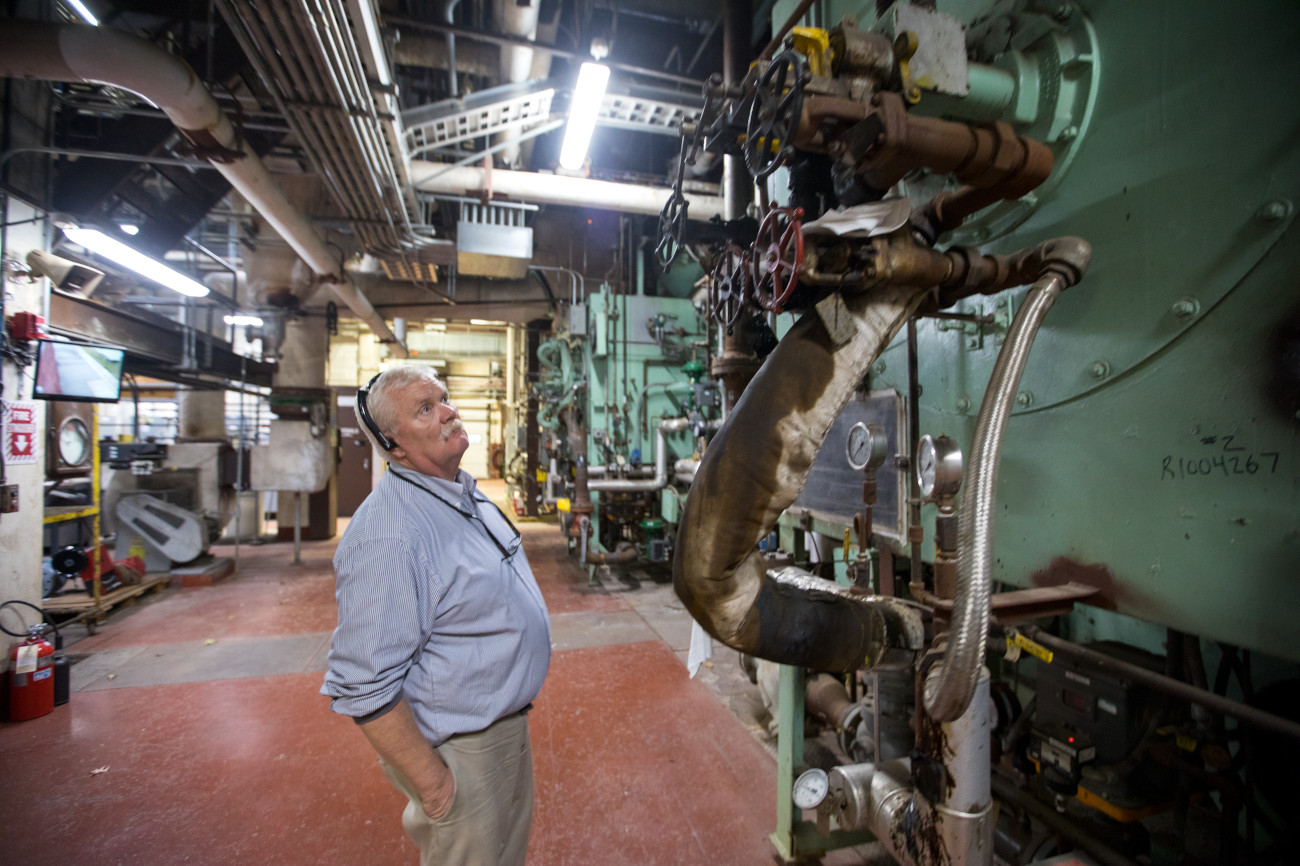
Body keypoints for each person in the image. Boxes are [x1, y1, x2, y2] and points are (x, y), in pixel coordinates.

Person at [322, 365, 551, 866]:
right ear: (395, 444)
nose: (449, 412)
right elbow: (362, 681)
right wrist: (435, 785)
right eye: (426, 409)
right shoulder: (390, 532)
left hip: (503, 731)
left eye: (443, 399)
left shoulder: (458, 492)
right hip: (461, 753)